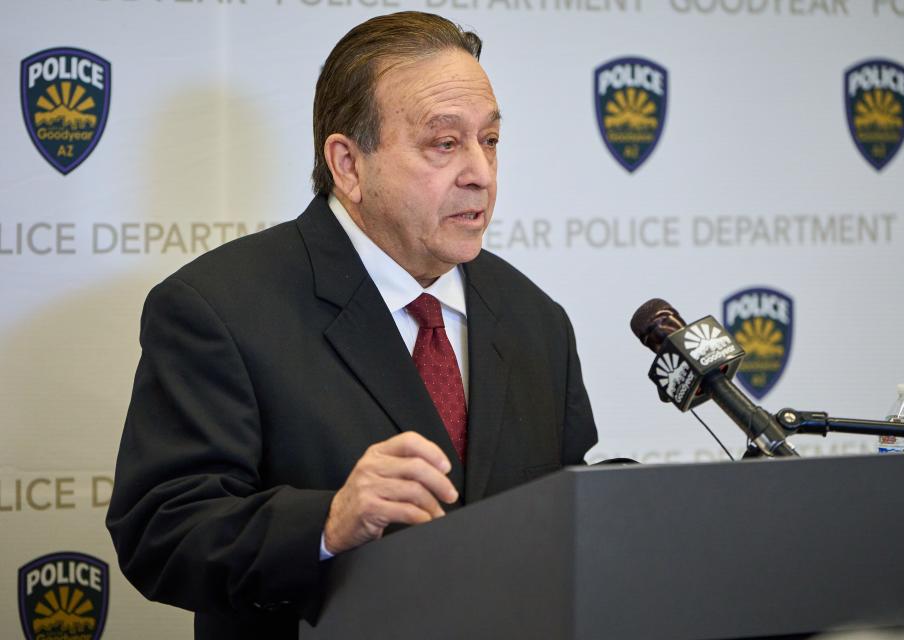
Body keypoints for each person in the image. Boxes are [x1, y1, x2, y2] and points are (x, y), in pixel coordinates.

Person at [106, 11, 598, 640]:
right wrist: (327, 523)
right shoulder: (216, 309)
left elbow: (561, 506)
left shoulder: (535, 318)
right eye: (445, 144)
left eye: (491, 140)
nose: (480, 171)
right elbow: (160, 532)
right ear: (348, 163)